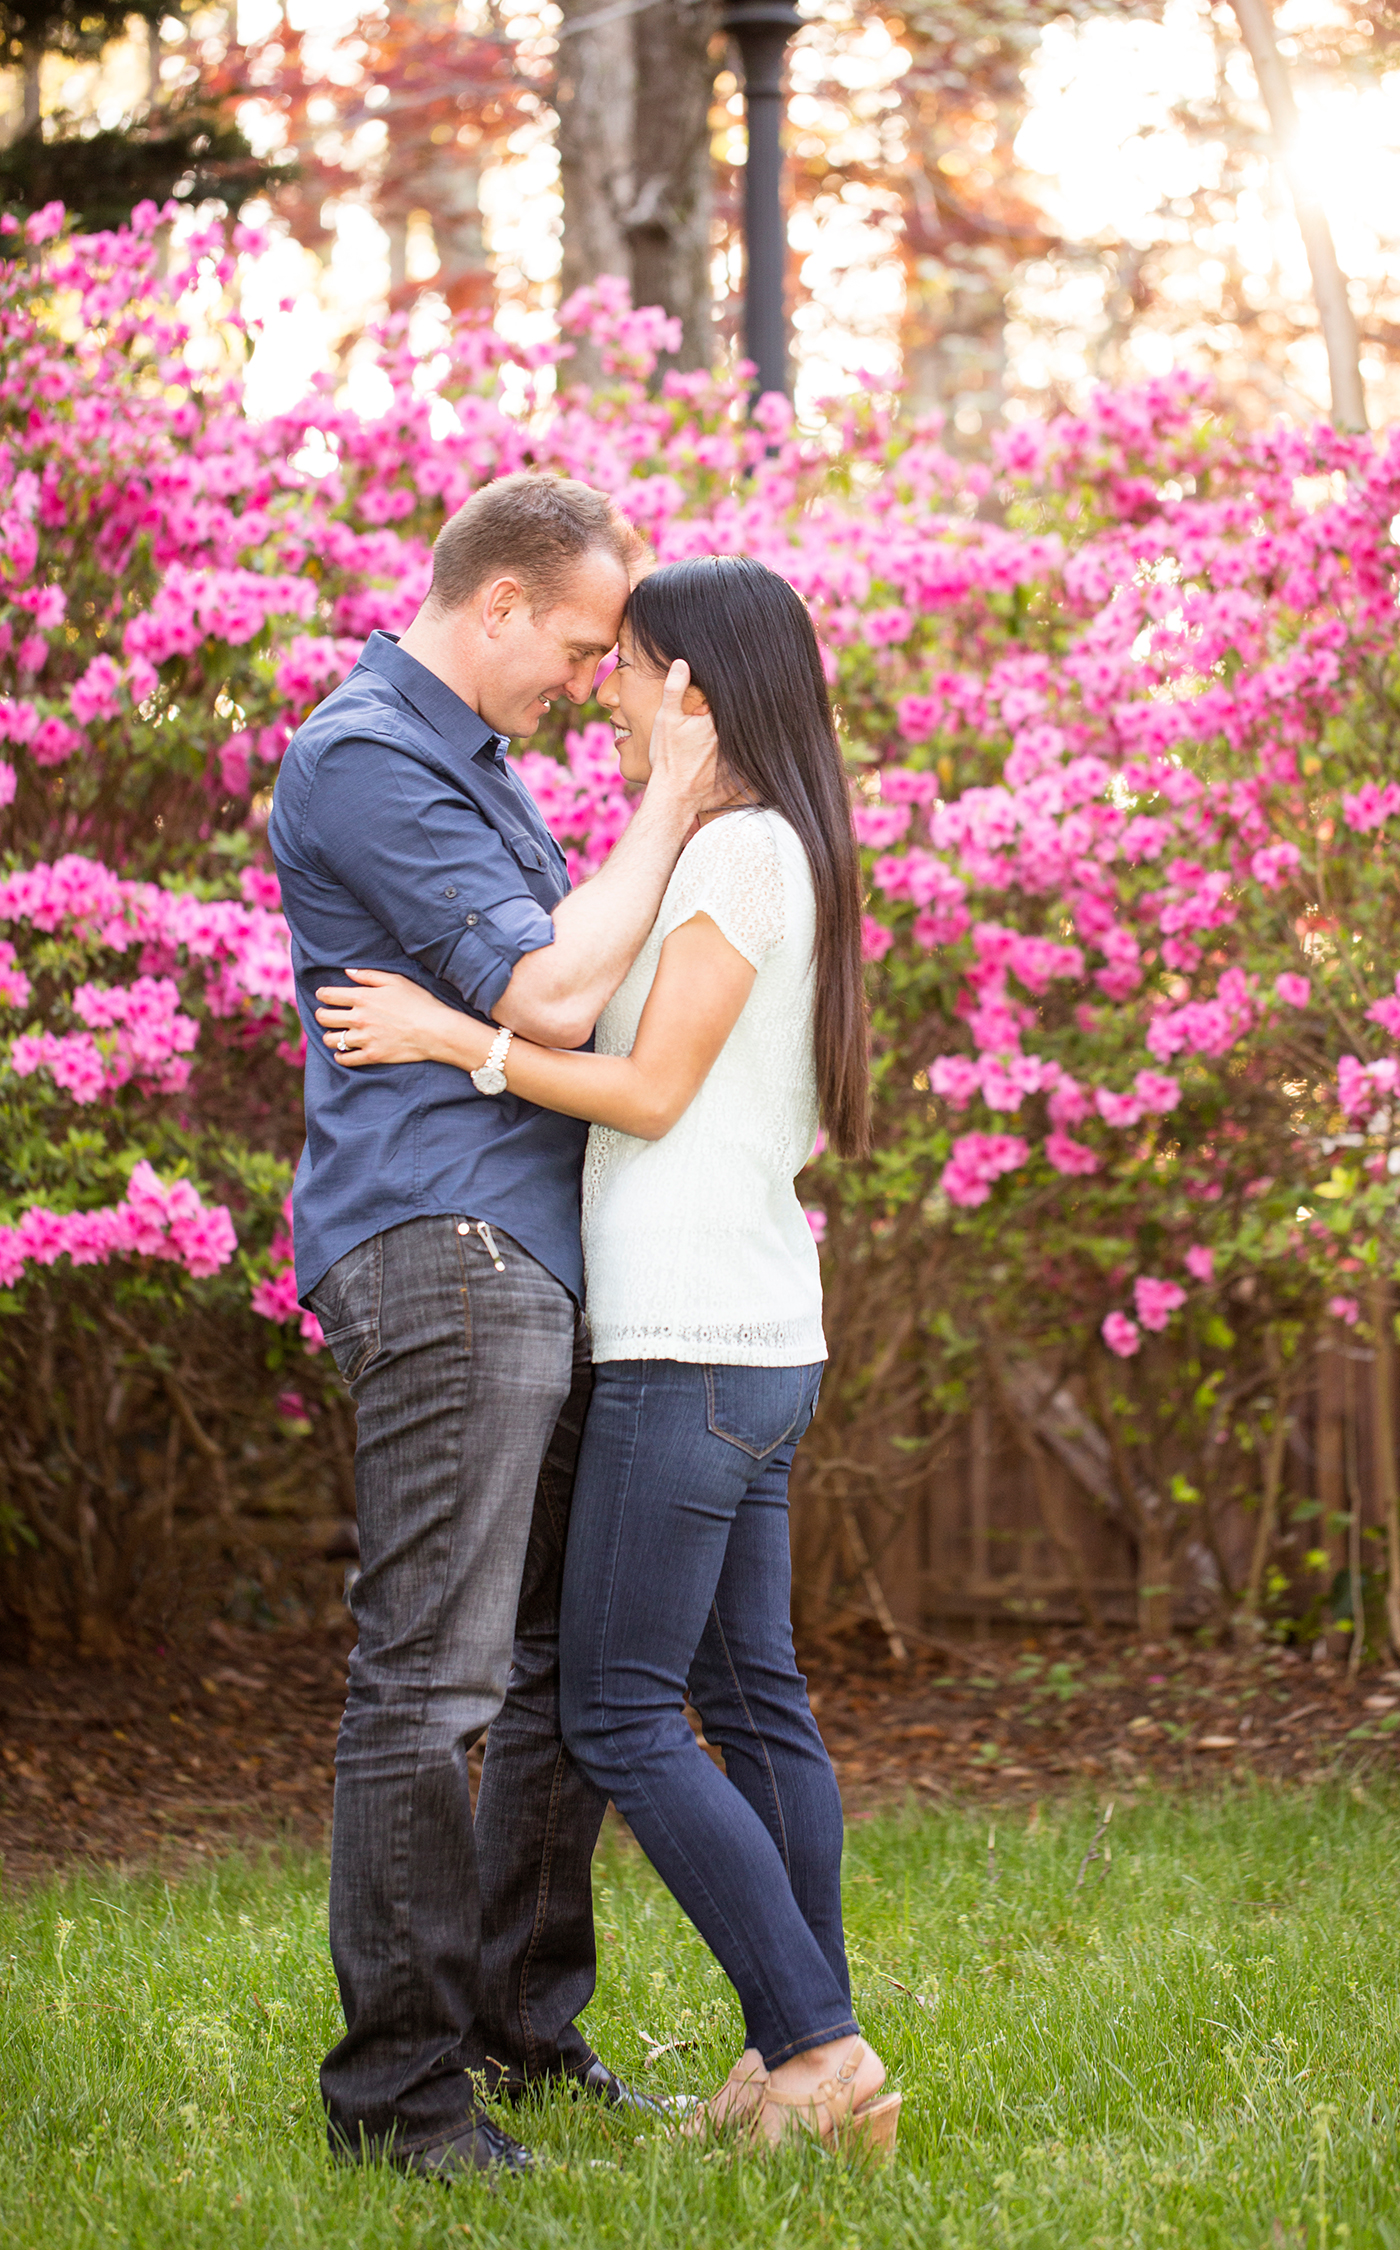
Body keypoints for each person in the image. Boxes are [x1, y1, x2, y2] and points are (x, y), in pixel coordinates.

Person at [312, 554, 901, 2157]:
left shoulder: (740, 860)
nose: (608, 690)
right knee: (751, 1700)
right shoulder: (749, 851)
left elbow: (642, 1090)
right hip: (748, 1336)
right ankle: (806, 2062)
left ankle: (818, 2044)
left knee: (624, 1712)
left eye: (632, 666)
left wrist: (458, 1038)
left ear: (698, 691)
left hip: (691, 1348)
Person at [267, 474, 721, 2181]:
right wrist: (671, 804)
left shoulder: (483, 774)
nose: (591, 684)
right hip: (446, 1246)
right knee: (435, 1680)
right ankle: (398, 2096)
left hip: (537, 1245)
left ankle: (522, 2031)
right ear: (505, 604)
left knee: (548, 1669)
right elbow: (544, 990)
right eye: (585, 647)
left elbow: (577, 988)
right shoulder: (369, 754)